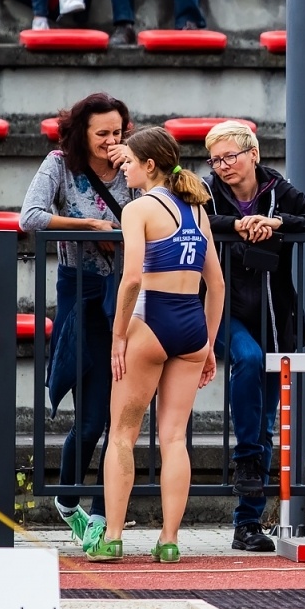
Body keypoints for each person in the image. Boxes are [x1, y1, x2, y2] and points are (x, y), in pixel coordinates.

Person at [88, 127, 225, 562]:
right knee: (174, 438)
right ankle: (169, 541)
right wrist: (210, 344)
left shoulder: (140, 208)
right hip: (191, 326)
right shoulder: (198, 207)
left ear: (149, 165)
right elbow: (216, 284)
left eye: (127, 160)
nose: (121, 167)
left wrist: (118, 336)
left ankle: (112, 537)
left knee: (123, 436)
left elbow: (130, 279)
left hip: (151, 322)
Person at [201, 121, 305, 552]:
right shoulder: (204, 192)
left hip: (275, 315)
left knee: (262, 420)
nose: (223, 166)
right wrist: (236, 225)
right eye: (216, 159)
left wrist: (276, 222)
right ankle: (245, 463)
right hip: (222, 308)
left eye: (230, 156)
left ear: (253, 154)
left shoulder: (279, 188)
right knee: (245, 357)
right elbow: (189, 216)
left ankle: (247, 525)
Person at [20, 93, 134, 550]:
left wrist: (137, 168)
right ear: (81, 133)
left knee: (119, 416)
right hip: (81, 288)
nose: (111, 141)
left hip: (128, 290)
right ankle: (69, 502)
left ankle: (107, 520)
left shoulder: (133, 164)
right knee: (89, 419)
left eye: (118, 133)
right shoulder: (59, 164)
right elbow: (30, 216)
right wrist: (88, 229)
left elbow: (167, 205)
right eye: (102, 133)